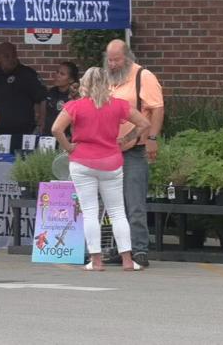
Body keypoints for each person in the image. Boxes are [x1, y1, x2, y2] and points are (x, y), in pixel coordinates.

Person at [52, 67, 151, 271]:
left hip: (82, 161)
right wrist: (126, 139)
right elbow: (144, 122)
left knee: (90, 212)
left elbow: (56, 129)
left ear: (85, 84)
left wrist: (69, 147)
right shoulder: (118, 105)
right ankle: (127, 260)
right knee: (117, 212)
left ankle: (96, 260)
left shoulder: (75, 106)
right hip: (111, 161)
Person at [105, 39, 164, 268]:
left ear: (127, 57)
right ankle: (120, 249)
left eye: (117, 59)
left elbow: (157, 108)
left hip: (134, 149)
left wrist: (152, 139)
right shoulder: (108, 78)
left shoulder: (143, 77)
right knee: (113, 202)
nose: (112, 64)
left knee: (134, 201)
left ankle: (139, 249)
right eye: (109, 60)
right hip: (110, 148)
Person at [0, 42, 47, 140]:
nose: (10, 59)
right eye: (6, 56)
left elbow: (43, 97)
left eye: (13, 55)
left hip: (22, 131)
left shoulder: (27, 74)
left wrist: (42, 120)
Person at [42, 61, 79, 136]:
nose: (57, 75)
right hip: (48, 137)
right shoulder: (51, 92)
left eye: (62, 74)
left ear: (71, 80)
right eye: (57, 72)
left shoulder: (74, 96)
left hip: (65, 139)